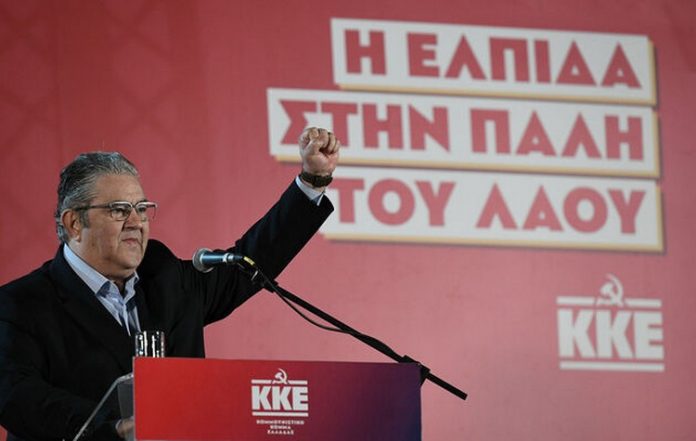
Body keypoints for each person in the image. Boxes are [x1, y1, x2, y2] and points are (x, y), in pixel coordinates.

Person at [0, 127, 340, 440]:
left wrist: (312, 182)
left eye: (142, 208)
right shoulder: (20, 305)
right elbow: (16, 396)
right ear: (74, 223)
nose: (136, 222)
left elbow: (249, 263)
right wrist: (112, 429)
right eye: (119, 210)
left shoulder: (165, 276)